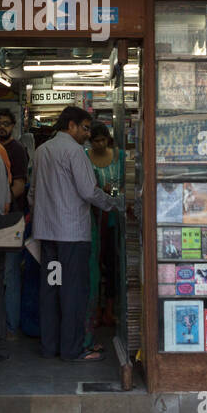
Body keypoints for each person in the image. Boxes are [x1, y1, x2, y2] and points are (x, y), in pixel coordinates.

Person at [31, 106, 120, 362]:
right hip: (72, 236)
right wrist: (115, 204)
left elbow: (32, 192)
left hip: (48, 236)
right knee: (72, 292)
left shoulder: (41, 151)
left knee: (51, 289)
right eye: (84, 128)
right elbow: (89, 191)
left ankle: (50, 347)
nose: (87, 134)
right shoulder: (74, 152)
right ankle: (72, 350)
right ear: (70, 125)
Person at [85, 121, 125, 348]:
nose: (99, 144)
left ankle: (109, 310)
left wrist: (114, 193)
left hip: (112, 220)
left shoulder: (118, 156)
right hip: (92, 219)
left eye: (102, 140)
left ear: (108, 139)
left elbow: (124, 186)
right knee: (94, 266)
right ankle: (96, 311)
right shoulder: (84, 156)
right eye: (95, 141)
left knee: (112, 265)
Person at [0, 108, 29, 339]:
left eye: (6, 123)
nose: (1, 127)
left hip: (10, 217)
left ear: (13, 126)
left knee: (10, 274)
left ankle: (10, 326)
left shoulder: (16, 150)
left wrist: (3, 201)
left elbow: (19, 185)